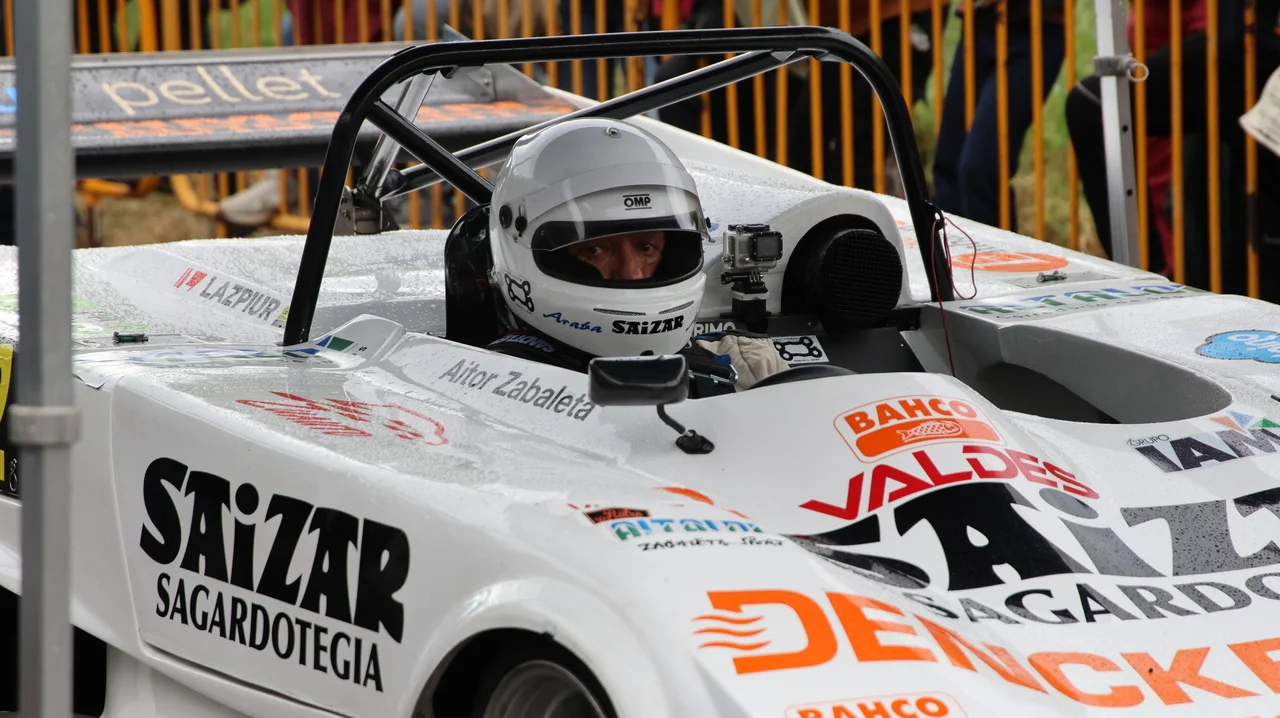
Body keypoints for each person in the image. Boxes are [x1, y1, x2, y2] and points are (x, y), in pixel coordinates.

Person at [484, 118, 789, 393]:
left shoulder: (750, 367)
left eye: (646, 248)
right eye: (595, 249)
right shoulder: (491, 388)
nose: (631, 272)